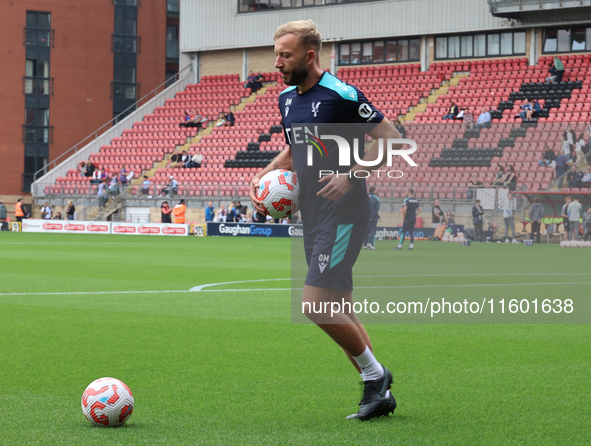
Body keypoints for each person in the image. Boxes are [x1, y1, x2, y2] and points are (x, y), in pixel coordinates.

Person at [248, 20, 399, 421]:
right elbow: (294, 147)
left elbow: (393, 139)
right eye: (276, 53)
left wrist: (352, 174)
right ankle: (378, 393)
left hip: (346, 213)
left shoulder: (341, 94)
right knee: (339, 306)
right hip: (313, 215)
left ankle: (375, 376)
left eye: (285, 55)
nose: (276, 62)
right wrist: (265, 173)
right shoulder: (285, 99)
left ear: (309, 55)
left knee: (315, 305)